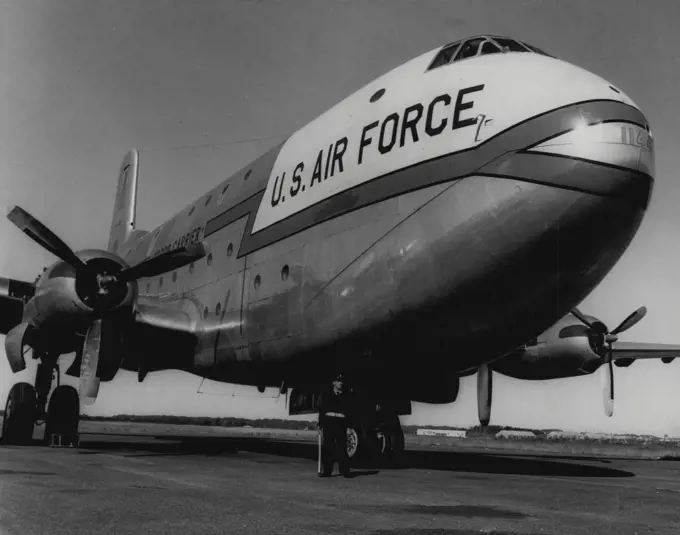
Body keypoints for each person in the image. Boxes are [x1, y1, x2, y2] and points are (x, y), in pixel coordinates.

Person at [317, 373, 351, 478]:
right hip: (329, 423)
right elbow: (322, 410)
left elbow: (350, 412)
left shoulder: (346, 396)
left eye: (341, 381)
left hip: (341, 423)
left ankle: (344, 471)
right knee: (328, 447)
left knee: (342, 447)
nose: (340, 383)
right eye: (338, 381)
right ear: (333, 383)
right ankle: (327, 471)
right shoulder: (326, 395)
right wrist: (320, 425)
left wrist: (349, 426)